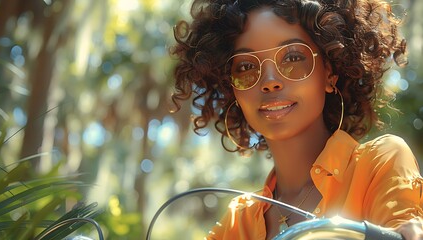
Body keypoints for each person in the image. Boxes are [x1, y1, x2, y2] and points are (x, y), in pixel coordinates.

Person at [170, 0, 423, 239]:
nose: (270, 82)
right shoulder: (238, 221)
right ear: (232, 89)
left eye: (292, 58)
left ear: (329, 73)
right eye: (246, 66)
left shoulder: (379, 163)